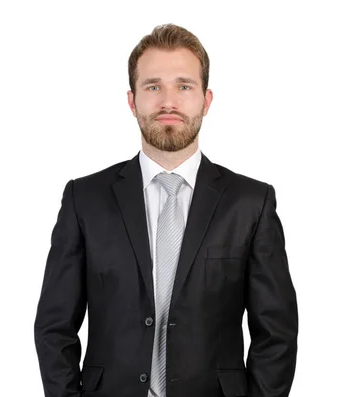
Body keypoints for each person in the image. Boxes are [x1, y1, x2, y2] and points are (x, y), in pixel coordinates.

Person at [34, 24, 298, 397]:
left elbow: (277, 333)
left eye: (184, 86)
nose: (168, 102)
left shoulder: (250, 202)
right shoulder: (85, 199)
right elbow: (54, 327)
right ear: (132, 100)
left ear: (206, 101)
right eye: (153, 86)